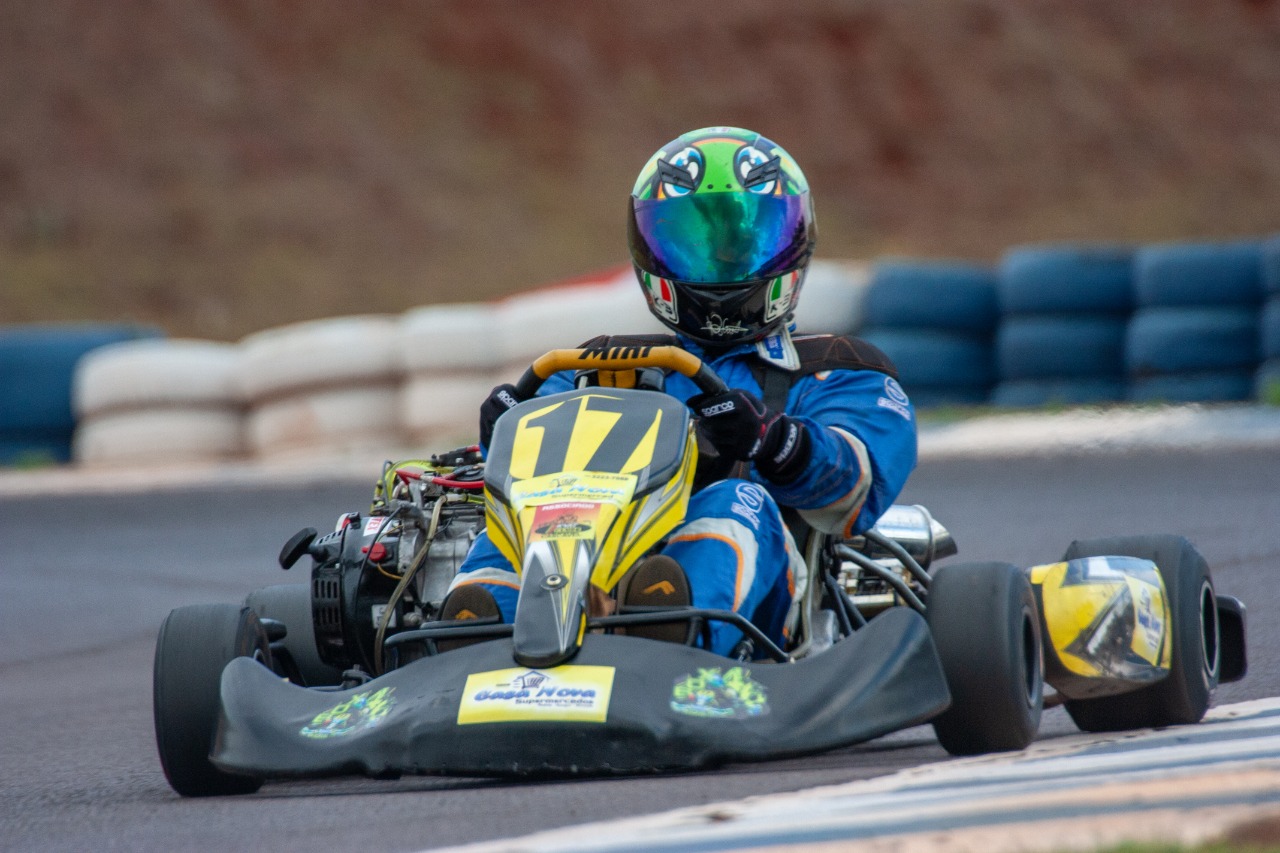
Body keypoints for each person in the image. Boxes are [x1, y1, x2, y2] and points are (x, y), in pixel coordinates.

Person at [439, 126, 917, 657]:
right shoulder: (593, 368)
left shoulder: (837, 371)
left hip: (765, 623)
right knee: (525, 524)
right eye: (693, 244)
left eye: (743, 245)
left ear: (793, 243)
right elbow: (522, 478)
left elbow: (857, 488)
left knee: (736, 499)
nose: (720, 265)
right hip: (592, 576)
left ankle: (671, 629)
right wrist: (505, 432)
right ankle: (467, 645)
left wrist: (773, 441)